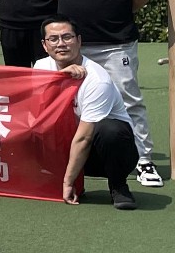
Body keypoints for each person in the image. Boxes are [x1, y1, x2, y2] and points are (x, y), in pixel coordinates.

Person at [46, 0, 161, 189]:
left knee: (127, 99)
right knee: (67, 102)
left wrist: (120, 8)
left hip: (115, 42)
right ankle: (73, 159)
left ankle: (143, 160)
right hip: (72, 45)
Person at [38, 16, 140, 210]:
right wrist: (60, 77)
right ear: (44, 45)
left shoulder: (97, 79)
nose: (61, 44)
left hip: (101, 152)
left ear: (79, 40)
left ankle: (118, 185)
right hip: (67, 143)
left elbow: (84, 137)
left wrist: (68, 182)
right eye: (53, 39)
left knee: (110, 130)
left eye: (67, 37)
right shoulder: (41, 68)